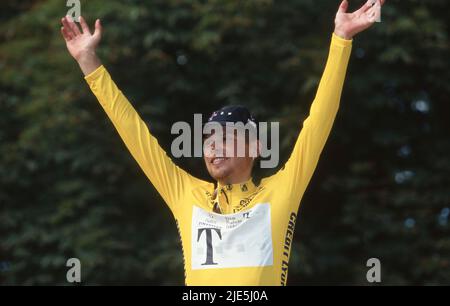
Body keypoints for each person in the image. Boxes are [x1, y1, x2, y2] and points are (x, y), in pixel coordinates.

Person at [60, 0, 385, 285]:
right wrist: (88, 60)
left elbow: (320, 120)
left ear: (256, 147)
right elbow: (132, 129)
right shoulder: (185, 193)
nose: (214, 147)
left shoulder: (282, 190)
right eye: (208, 140)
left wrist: (341, 41)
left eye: (227, 138)